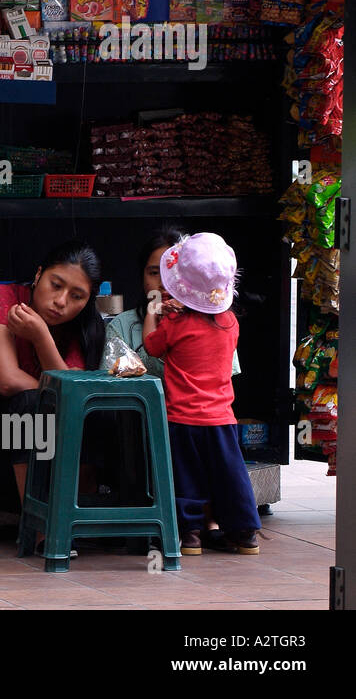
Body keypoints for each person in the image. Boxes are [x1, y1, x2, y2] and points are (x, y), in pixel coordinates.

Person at [0, 240, 105, 515]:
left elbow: (75, 393)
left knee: (95, 411)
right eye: (56, 285)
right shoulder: (4, 299)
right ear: (38, 275)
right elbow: (7, 381)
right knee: (30, 402)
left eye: (77, 296)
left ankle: (81, 521)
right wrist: (58, 389)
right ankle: (42, 530)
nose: (61, 301)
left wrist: (41, 337)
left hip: (53, 452)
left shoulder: (84, 327)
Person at [142, 232, 261, 555]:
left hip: (182, 417)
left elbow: (152, 346)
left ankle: (190, 535)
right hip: (222, 418)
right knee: (231, 475)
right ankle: (245, 532)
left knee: (187, 476)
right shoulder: (231, 322)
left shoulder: (175, 324)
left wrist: (156, 312)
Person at [105, 225, 241, 380]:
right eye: (154, 273)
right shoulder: (121, 327)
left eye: (173, 273)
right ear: (141, 275)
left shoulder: (216, 322)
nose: (164, 283)